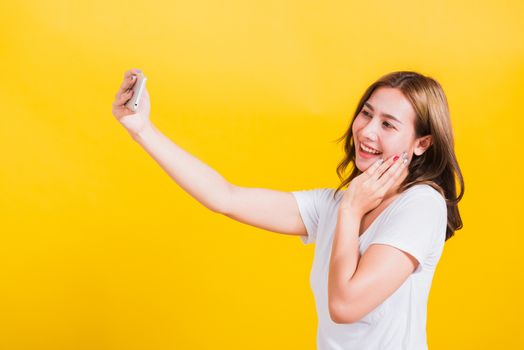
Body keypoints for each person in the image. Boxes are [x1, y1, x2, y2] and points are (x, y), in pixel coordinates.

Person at [112, 69, 464, 349]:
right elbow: (226, 197)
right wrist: (142, 130)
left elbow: (345, 306)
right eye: (366, 114)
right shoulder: (336, 206)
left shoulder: (420, 205)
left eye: (388, 124)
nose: (367, 131)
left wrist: (351, 212)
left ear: (422, 143)